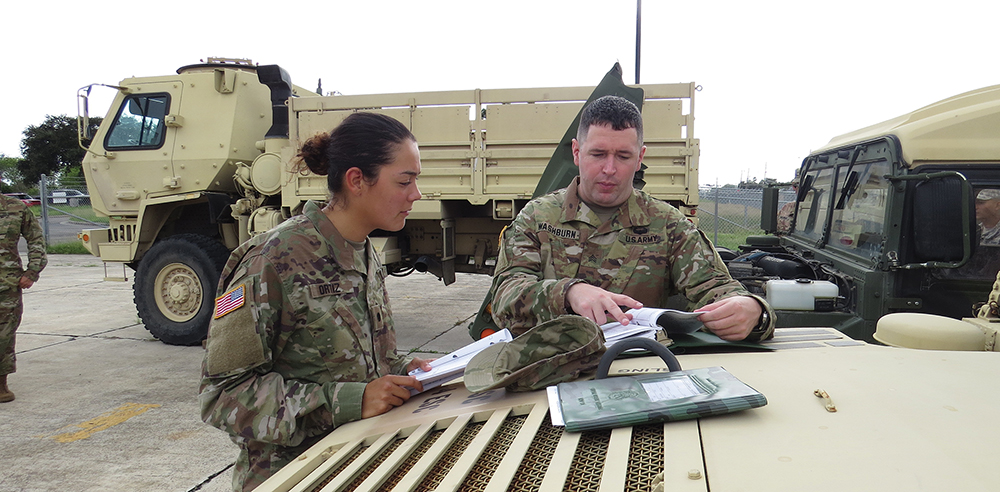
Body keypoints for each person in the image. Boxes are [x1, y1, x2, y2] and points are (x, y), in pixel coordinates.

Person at [200, 112, 433, 492]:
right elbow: (223, 395)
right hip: (292, 477)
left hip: (355, 465)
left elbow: (358, 361)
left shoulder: (364, 252)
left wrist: (407, 370)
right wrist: (346, 401)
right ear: (357, 180)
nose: (416, 194)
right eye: (405, 181)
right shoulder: (271, 260)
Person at [491, 95, 774, 342]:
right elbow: (504, 297)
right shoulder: (537, 217)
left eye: (623, 156)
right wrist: (568, 293)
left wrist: (754, 311)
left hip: (637, 368)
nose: (609, 169)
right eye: (598, 154)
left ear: (640, 158)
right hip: (546, 370)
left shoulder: (668, 225)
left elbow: (718, 289)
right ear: (577, 152)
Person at [0, 190, 47, 403]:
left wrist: (32, 271)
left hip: (6, 284)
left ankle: (1, 385)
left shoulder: (17, 208)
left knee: (4, 335)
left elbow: (35, 238)